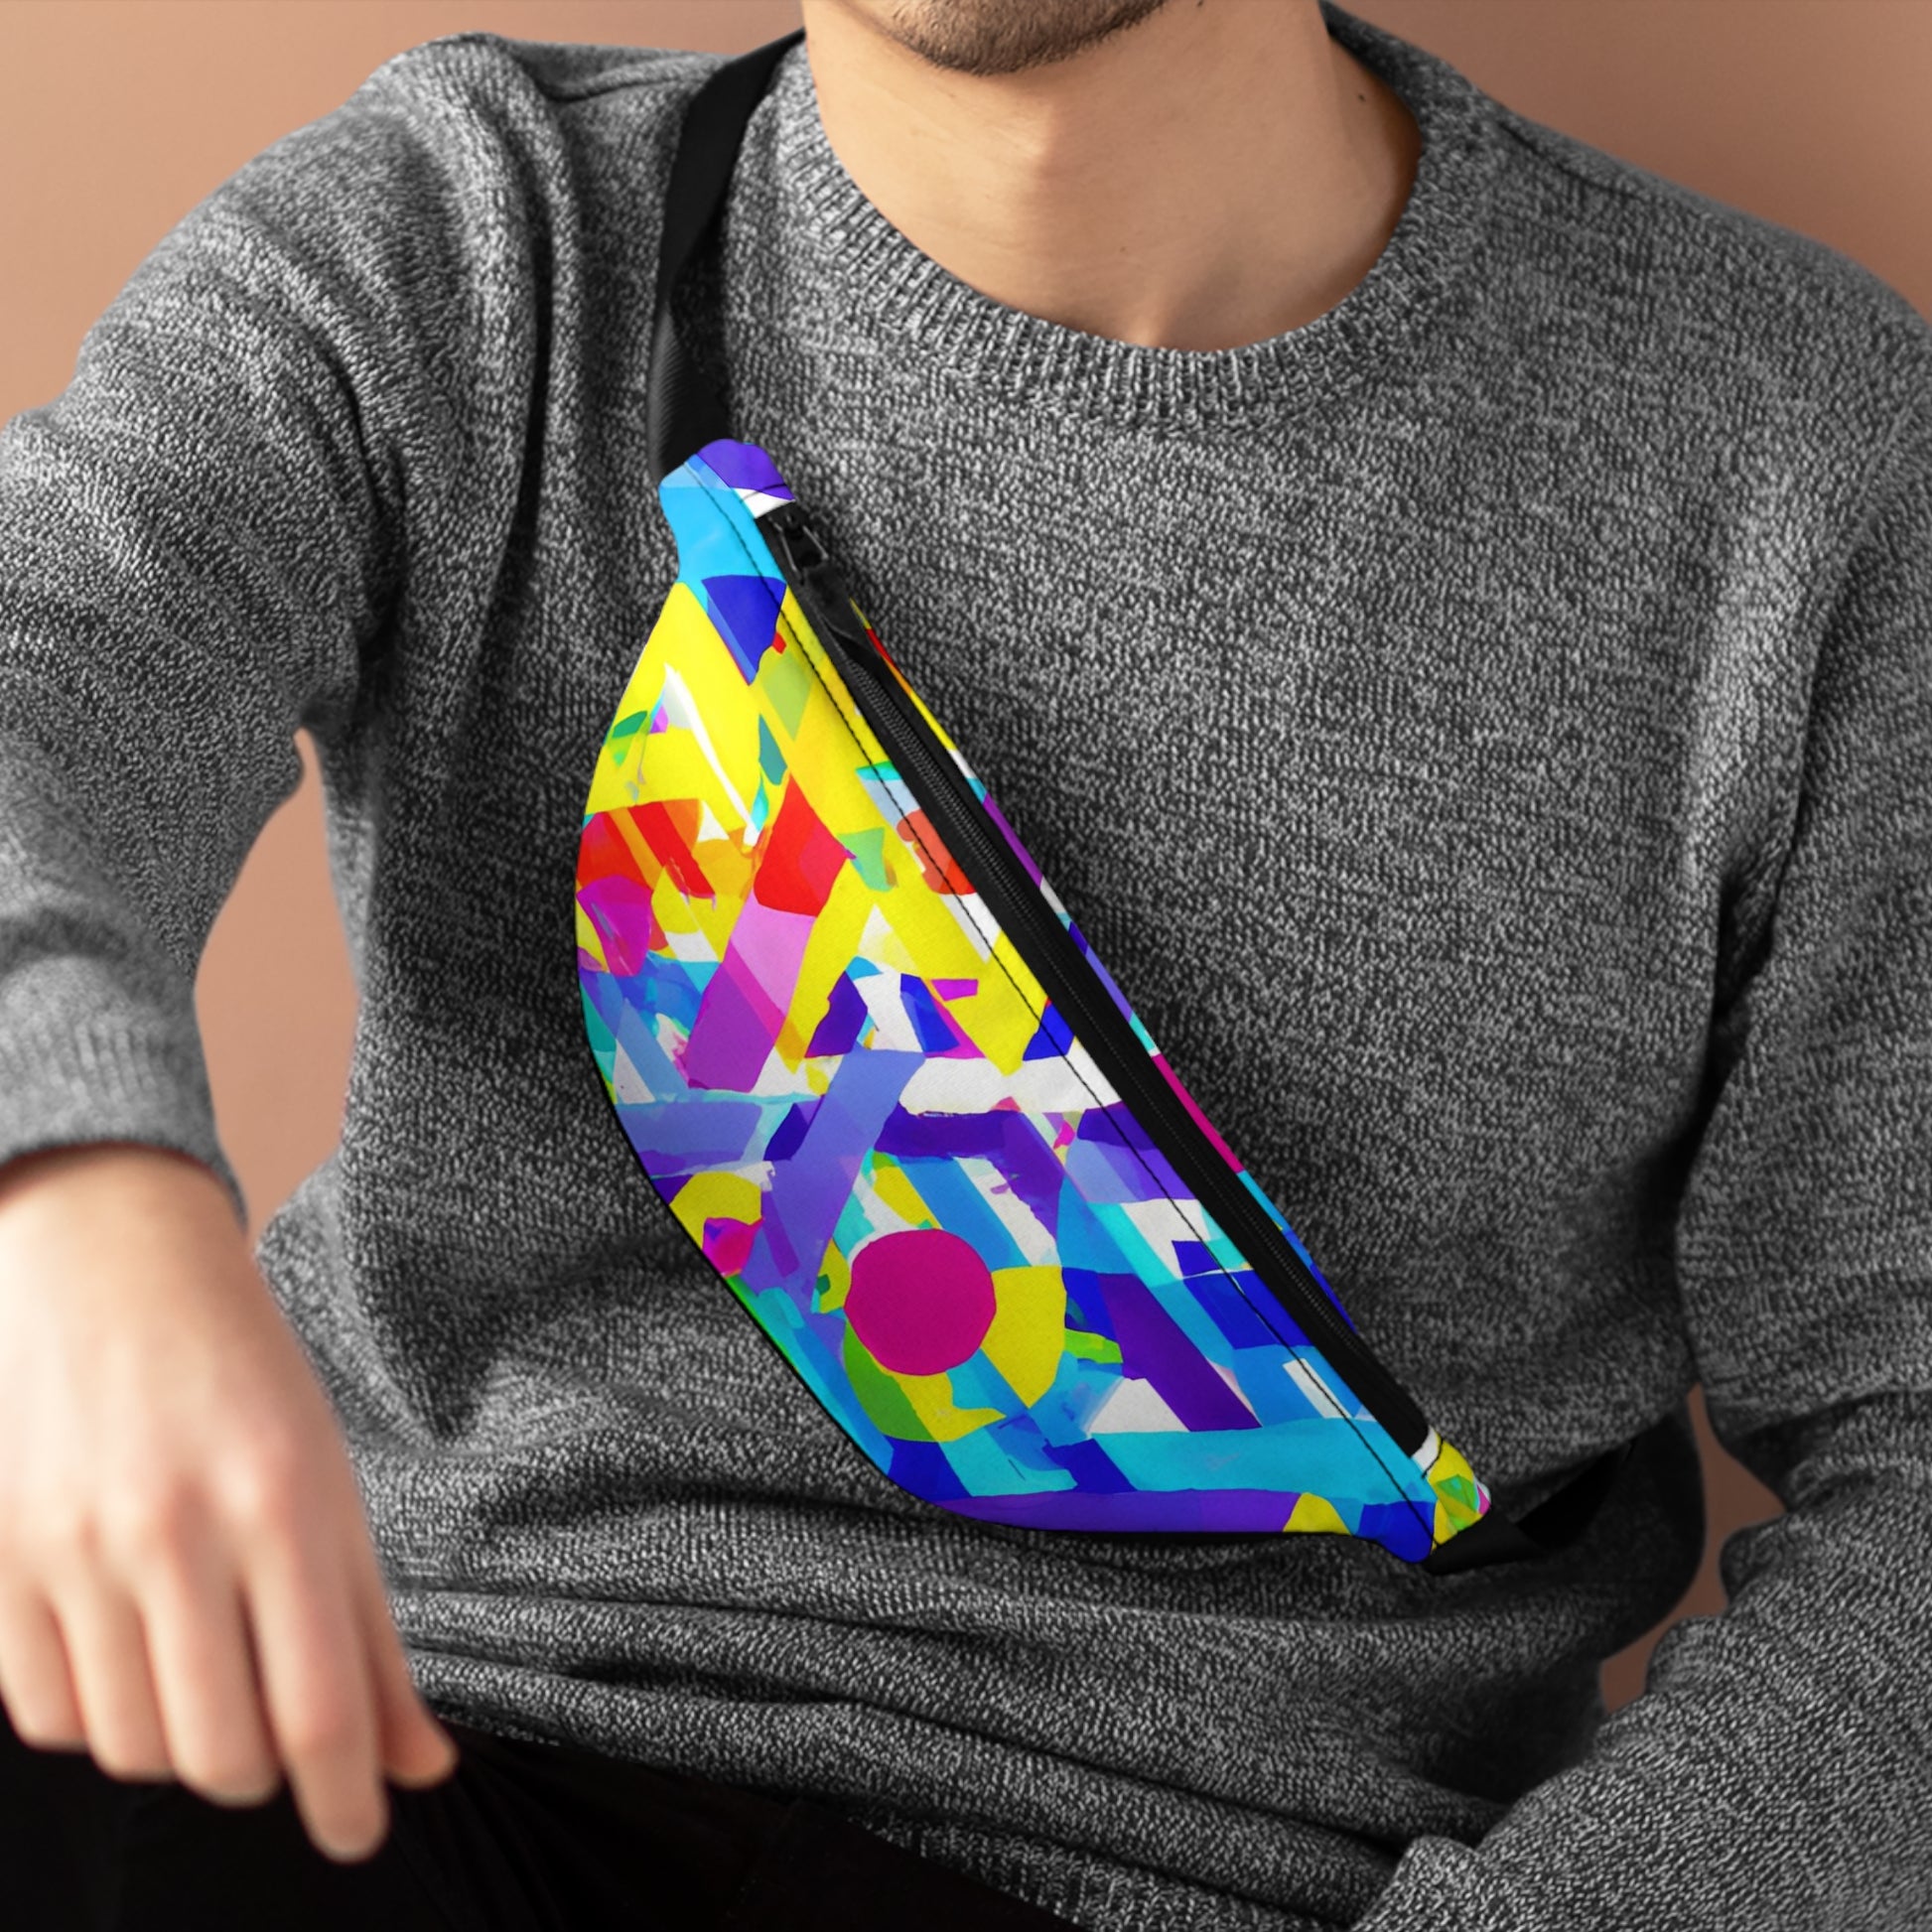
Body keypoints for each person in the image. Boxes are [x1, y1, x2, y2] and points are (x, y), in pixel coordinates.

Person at [0, 0, 1927, 1925]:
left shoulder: (1806, 459)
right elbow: (46, 669)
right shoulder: (467, 239)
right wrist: (79, 1188)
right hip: (388, 1763)